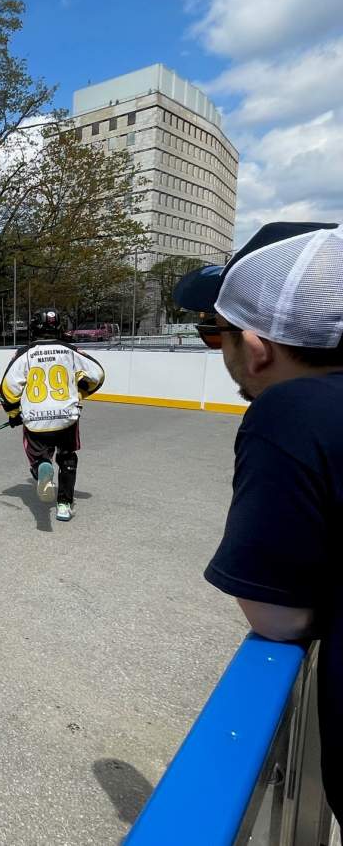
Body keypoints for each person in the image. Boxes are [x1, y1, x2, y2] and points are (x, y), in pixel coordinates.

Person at [173, 221, 343, 822]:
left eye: (211, 335)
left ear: (256, 345)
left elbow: (280, 614)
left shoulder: (291, 411)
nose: (218, 352)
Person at [0, 308, 105, 522]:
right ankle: (64, 505)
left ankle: (41, 467)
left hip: (37, 419)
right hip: (66, 416)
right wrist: (79, 392)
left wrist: (14, 413)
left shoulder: (25, 354)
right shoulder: (70, 351)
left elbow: (7, 389)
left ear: (34, 327)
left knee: (37, 454)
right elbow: (98, 374)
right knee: (67, 459)